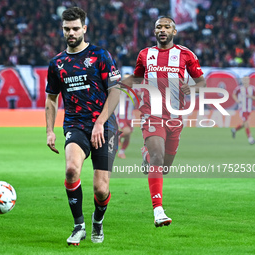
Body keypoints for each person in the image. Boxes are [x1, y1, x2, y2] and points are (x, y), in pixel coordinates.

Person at [120, 16, 206, 227]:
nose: (162, 30)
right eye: (159, 27)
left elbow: (201, 82)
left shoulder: (185, 54)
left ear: (174, 31)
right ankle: (158, 211)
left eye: (167, 27)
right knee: (157, 158)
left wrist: (192, 88)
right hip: (152, 114)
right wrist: (118, 82)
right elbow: (137, 78)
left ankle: (145, 154)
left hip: (175, 117)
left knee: (164, 167)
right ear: (155, 31)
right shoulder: (145, 54)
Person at [45, 7, 120, 245]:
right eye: (67, 29)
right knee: (71, 170)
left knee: (101, 189)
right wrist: (49, 130)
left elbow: (115, 93)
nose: (71, 33)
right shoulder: (57, 63)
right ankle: (79, 226)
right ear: (62, 29)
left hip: (104, 126)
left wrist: (99, 123)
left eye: (76, 28)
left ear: (84, 29)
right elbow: (51, 98)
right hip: (75, 125)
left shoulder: (100, 55)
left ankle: (98, 222)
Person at [231, 76, 255, 145]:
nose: (245, 81)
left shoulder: (252, 88)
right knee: (246, 123)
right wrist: (237, 100)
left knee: (244, 124)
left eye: (247, 79)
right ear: (242, 81)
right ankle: (250, 139)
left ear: (249, 80)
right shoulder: (239, 88)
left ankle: (234, 130)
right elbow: (233, 94)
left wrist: (250, 96)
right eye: (244, 80)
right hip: (242, 109)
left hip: (249, 109)